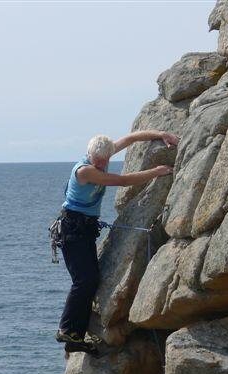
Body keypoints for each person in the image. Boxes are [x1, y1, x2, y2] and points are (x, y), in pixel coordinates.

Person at [54, 130, 179, 354]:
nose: (102, 165)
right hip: (73, 231)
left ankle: (75, 337)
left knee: (90, 280)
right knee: (84, 281)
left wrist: (162, 134)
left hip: (83, 230)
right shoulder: (85, 171)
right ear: (90, 155)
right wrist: (157, 172)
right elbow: (122, 181)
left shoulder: (102, 154)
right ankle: (67, 330)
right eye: (99, 161)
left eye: (105, 160)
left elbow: (132, 138)